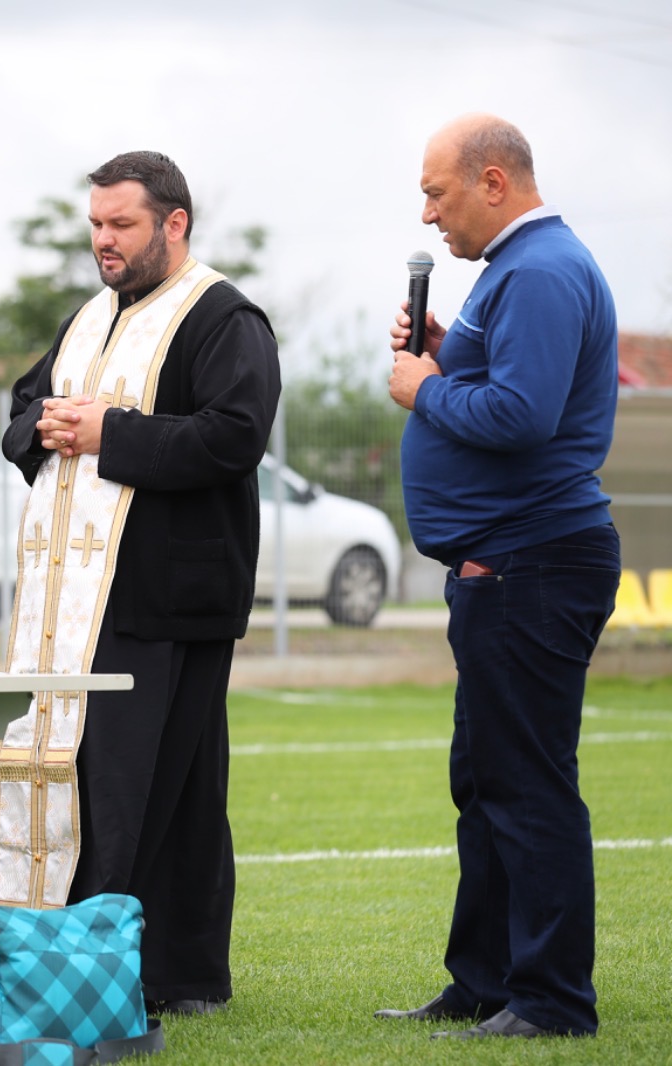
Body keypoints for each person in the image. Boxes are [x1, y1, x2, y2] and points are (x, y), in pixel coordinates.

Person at [0, 150, 280, 1016]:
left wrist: (111, 432)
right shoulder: (88, 316)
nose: (103, 243)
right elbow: (24, 413)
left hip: (167, 601)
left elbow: (233, 437)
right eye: (96, 226)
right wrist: (45, 425)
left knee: (162, 790)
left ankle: (167, 974)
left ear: (174, 224)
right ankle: (77, 957)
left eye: (122, 225)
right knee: (97, 779)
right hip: (73, 607)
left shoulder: (225, 316)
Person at [374, 114, 619, 1040]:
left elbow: (521, 415)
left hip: (535, 563)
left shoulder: (544, 272)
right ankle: (484, 981)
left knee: (528, 785)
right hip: (506, 567)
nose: (428, 211)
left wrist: (424, 386)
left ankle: (553, 1000)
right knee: (484, 782)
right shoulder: (513, 275)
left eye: (437, 192)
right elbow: (506, 383)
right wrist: (449, 345)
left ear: (492, 182)